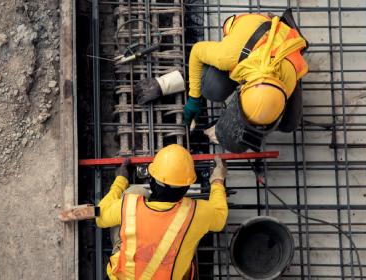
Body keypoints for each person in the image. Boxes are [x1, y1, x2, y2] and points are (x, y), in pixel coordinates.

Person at [135, 9, 309, 153]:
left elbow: (264, 110)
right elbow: (197, 52)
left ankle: (286, 28)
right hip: (251, 33)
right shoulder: (229, 55)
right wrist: (194, 97)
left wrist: (235, 132)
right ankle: (179, 78)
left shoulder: (289, 80)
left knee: (290, 123)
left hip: (284, 51)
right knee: (212, 89)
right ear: (241, 90)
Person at [96, 144, 228, 279]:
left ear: (152, 182)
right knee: (190, 231)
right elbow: (220, 218)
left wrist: (120, 180)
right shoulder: (197, 213)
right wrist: (217, 180)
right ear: (187, 187)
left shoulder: (130, 206)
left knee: (135, 192)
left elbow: (100, 217)